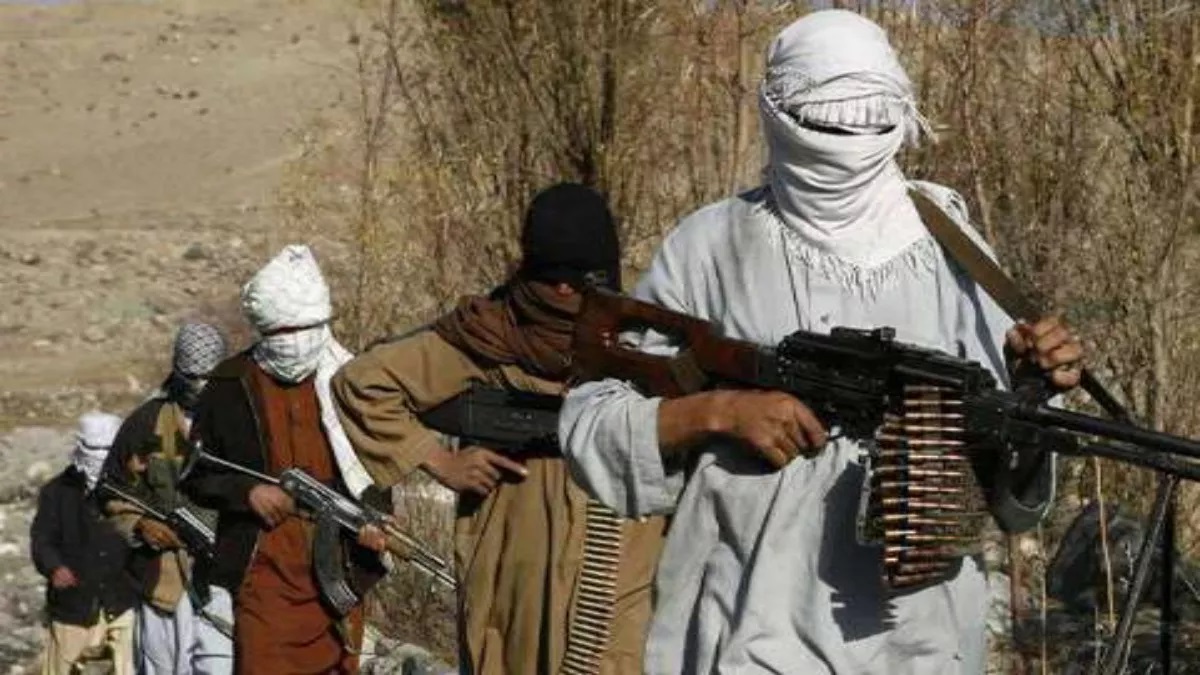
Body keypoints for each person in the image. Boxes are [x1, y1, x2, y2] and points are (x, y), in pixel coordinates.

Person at [557, 10, 1084, 674]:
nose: (847, 143)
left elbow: (1010, 497)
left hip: (917, 638)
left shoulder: (953, 252)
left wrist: (1034, 395)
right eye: (824, 122)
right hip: (745, 626)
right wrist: (719, 412)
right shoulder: (714, 244)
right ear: (776, 112)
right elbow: (592, 424)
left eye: (866, 120)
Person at [332, 183, 667, 675]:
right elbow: (362, 383)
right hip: (515, 539)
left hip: (617, 543)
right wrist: (439, 461)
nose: (566, 293)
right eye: (553, 277)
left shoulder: (644, 339)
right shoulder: (489, 334)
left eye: (581, 279)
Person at [182, 245, 383, 675]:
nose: (293, 341)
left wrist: (376, 522)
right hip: (264, 574)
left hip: (340, 573)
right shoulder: (230, 384)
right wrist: (247, 492)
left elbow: (379, 467)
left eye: (303, 329)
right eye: (281, 331)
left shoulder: (352, 380)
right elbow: (196, 473)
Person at [101, 322, 234, 675]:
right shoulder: (146, 422)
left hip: (224, 583)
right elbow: (110, 493)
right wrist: (140, 526)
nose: (199, 385)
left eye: (208, 376)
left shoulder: (242, 423)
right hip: (162, 582)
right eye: (191, 376)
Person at [30, 412, 136, 675]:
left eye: (107, 449)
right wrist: (54, 567)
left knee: (130, 667)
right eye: (93, 449)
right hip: (74, 602)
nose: (100, 456)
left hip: (122, 598)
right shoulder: (57, 492)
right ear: (80, 446)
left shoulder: (132, 490)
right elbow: (42, 539)